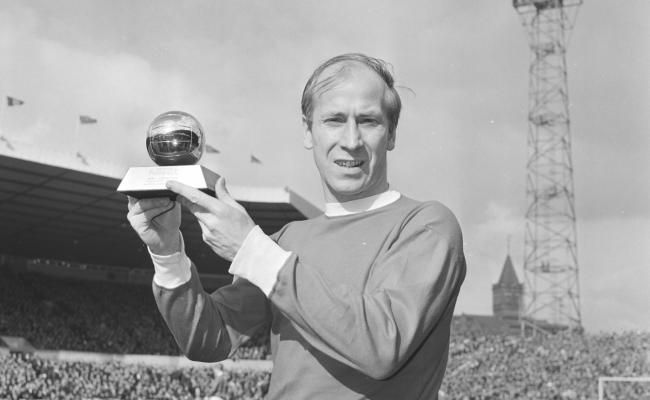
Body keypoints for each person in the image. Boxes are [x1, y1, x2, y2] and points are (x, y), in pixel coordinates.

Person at [127, 53, 466, 399]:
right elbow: (209, 341)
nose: (351, 140)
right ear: (308, 131)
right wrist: (166, 250)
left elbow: (381, 348)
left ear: (391, 133)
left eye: (368, 121)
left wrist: (252, 250)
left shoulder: (426, 225)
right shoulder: (288, 240)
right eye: (334, 120)